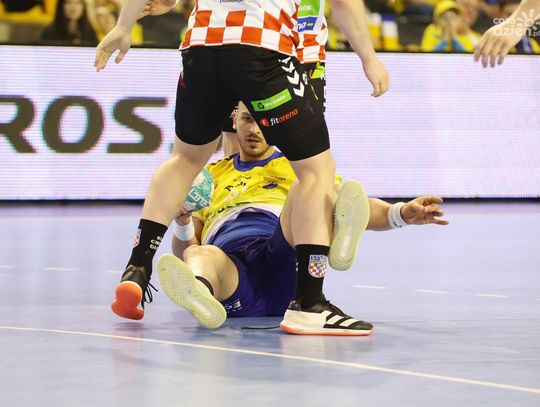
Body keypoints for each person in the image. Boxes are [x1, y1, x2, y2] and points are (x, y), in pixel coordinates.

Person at [95, 0, 389, 335]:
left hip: (201, 45)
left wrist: (124, 25)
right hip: (264, 44)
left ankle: (137, 266)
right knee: (315, 172)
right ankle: (310, 301)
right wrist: (369, 58)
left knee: (185, 160)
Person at [156, 101, 448, 334]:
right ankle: (200, 292)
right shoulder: (209, 176)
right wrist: (182, 223)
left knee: (312, 185)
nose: (254, 129)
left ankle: (337, 235)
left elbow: (354, 204)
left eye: (262, 121)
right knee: (197, 254)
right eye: (246, 119)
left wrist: (400, 213)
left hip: (281, 250)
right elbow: (185, 250)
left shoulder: (296, 165)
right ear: (234, 121)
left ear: (274, 123)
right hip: (232, 271)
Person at [474, 0, 540, 66]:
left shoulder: (532, 45)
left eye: (516, 15)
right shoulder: (484, 41)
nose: (511, 19)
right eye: (509, 15)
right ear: (499, 15)